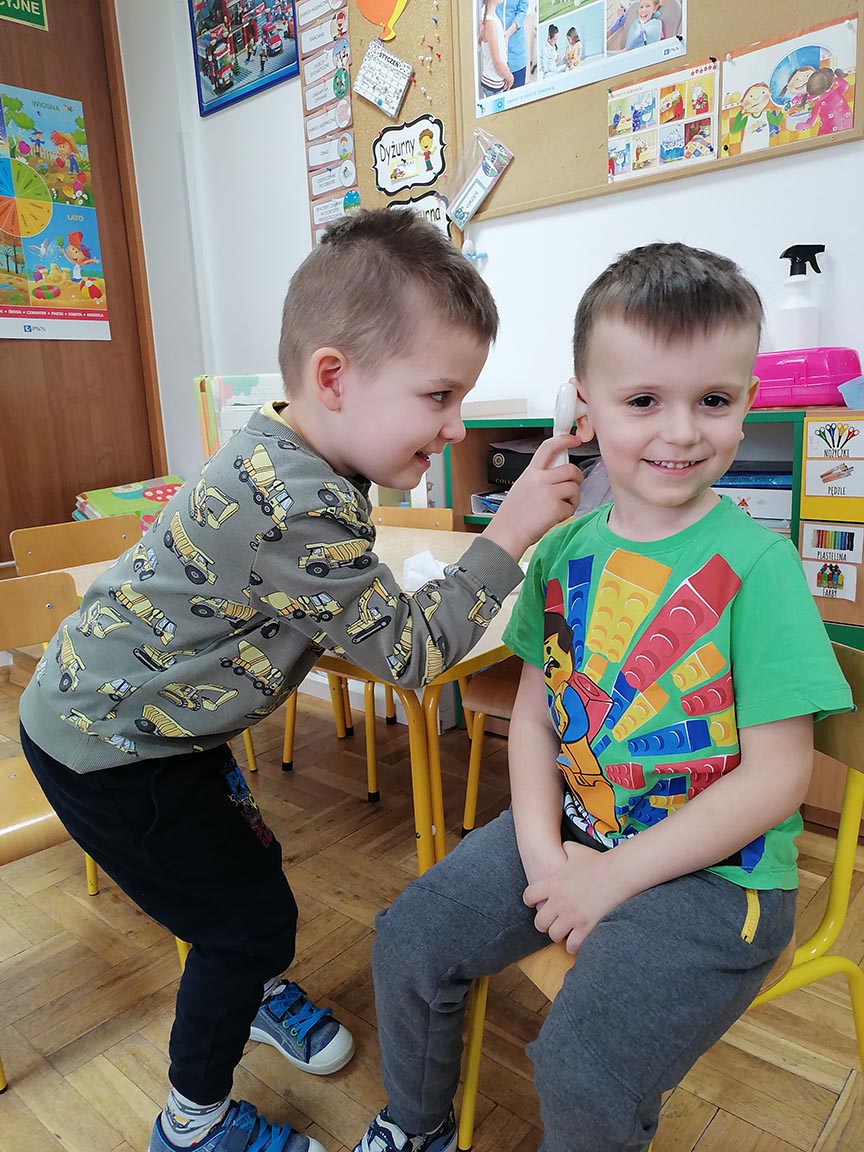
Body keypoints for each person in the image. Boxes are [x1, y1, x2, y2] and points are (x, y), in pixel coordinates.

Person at [19, 208, 583, 1152]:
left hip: (155, 727)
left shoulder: (287, 449)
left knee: (249, 889)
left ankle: (249, 985)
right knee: (242, 924)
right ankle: (192, 1124)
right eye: (439, 396)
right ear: (333, 377)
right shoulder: (300, 500)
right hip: (113, 752)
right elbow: (413, 656)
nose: (454, 426)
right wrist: (511, 529)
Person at [350, 242, 852, 1152]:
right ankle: (416, 1128)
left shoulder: (762, 568)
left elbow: (779, 778)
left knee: (581, 1067)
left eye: (714, 400)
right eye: (643, 400)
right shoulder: (560, 551)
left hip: (716, 877)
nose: (682, 432)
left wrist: (609, 878)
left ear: (748, 403)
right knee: (409, 940)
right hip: (577, 827)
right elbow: (536, 716)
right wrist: (547, 859)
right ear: (584, 406)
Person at [479, 0, 513, 96]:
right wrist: (510, 77)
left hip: (497, 81)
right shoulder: (491, 23)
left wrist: (505, 73)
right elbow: (497, 62)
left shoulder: (492, 18)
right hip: (493, 86)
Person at [495, 0, 529, 88]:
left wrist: (507, 34)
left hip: (516, 51)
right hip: (496, 49)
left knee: (517, 93)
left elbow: (522, 11)